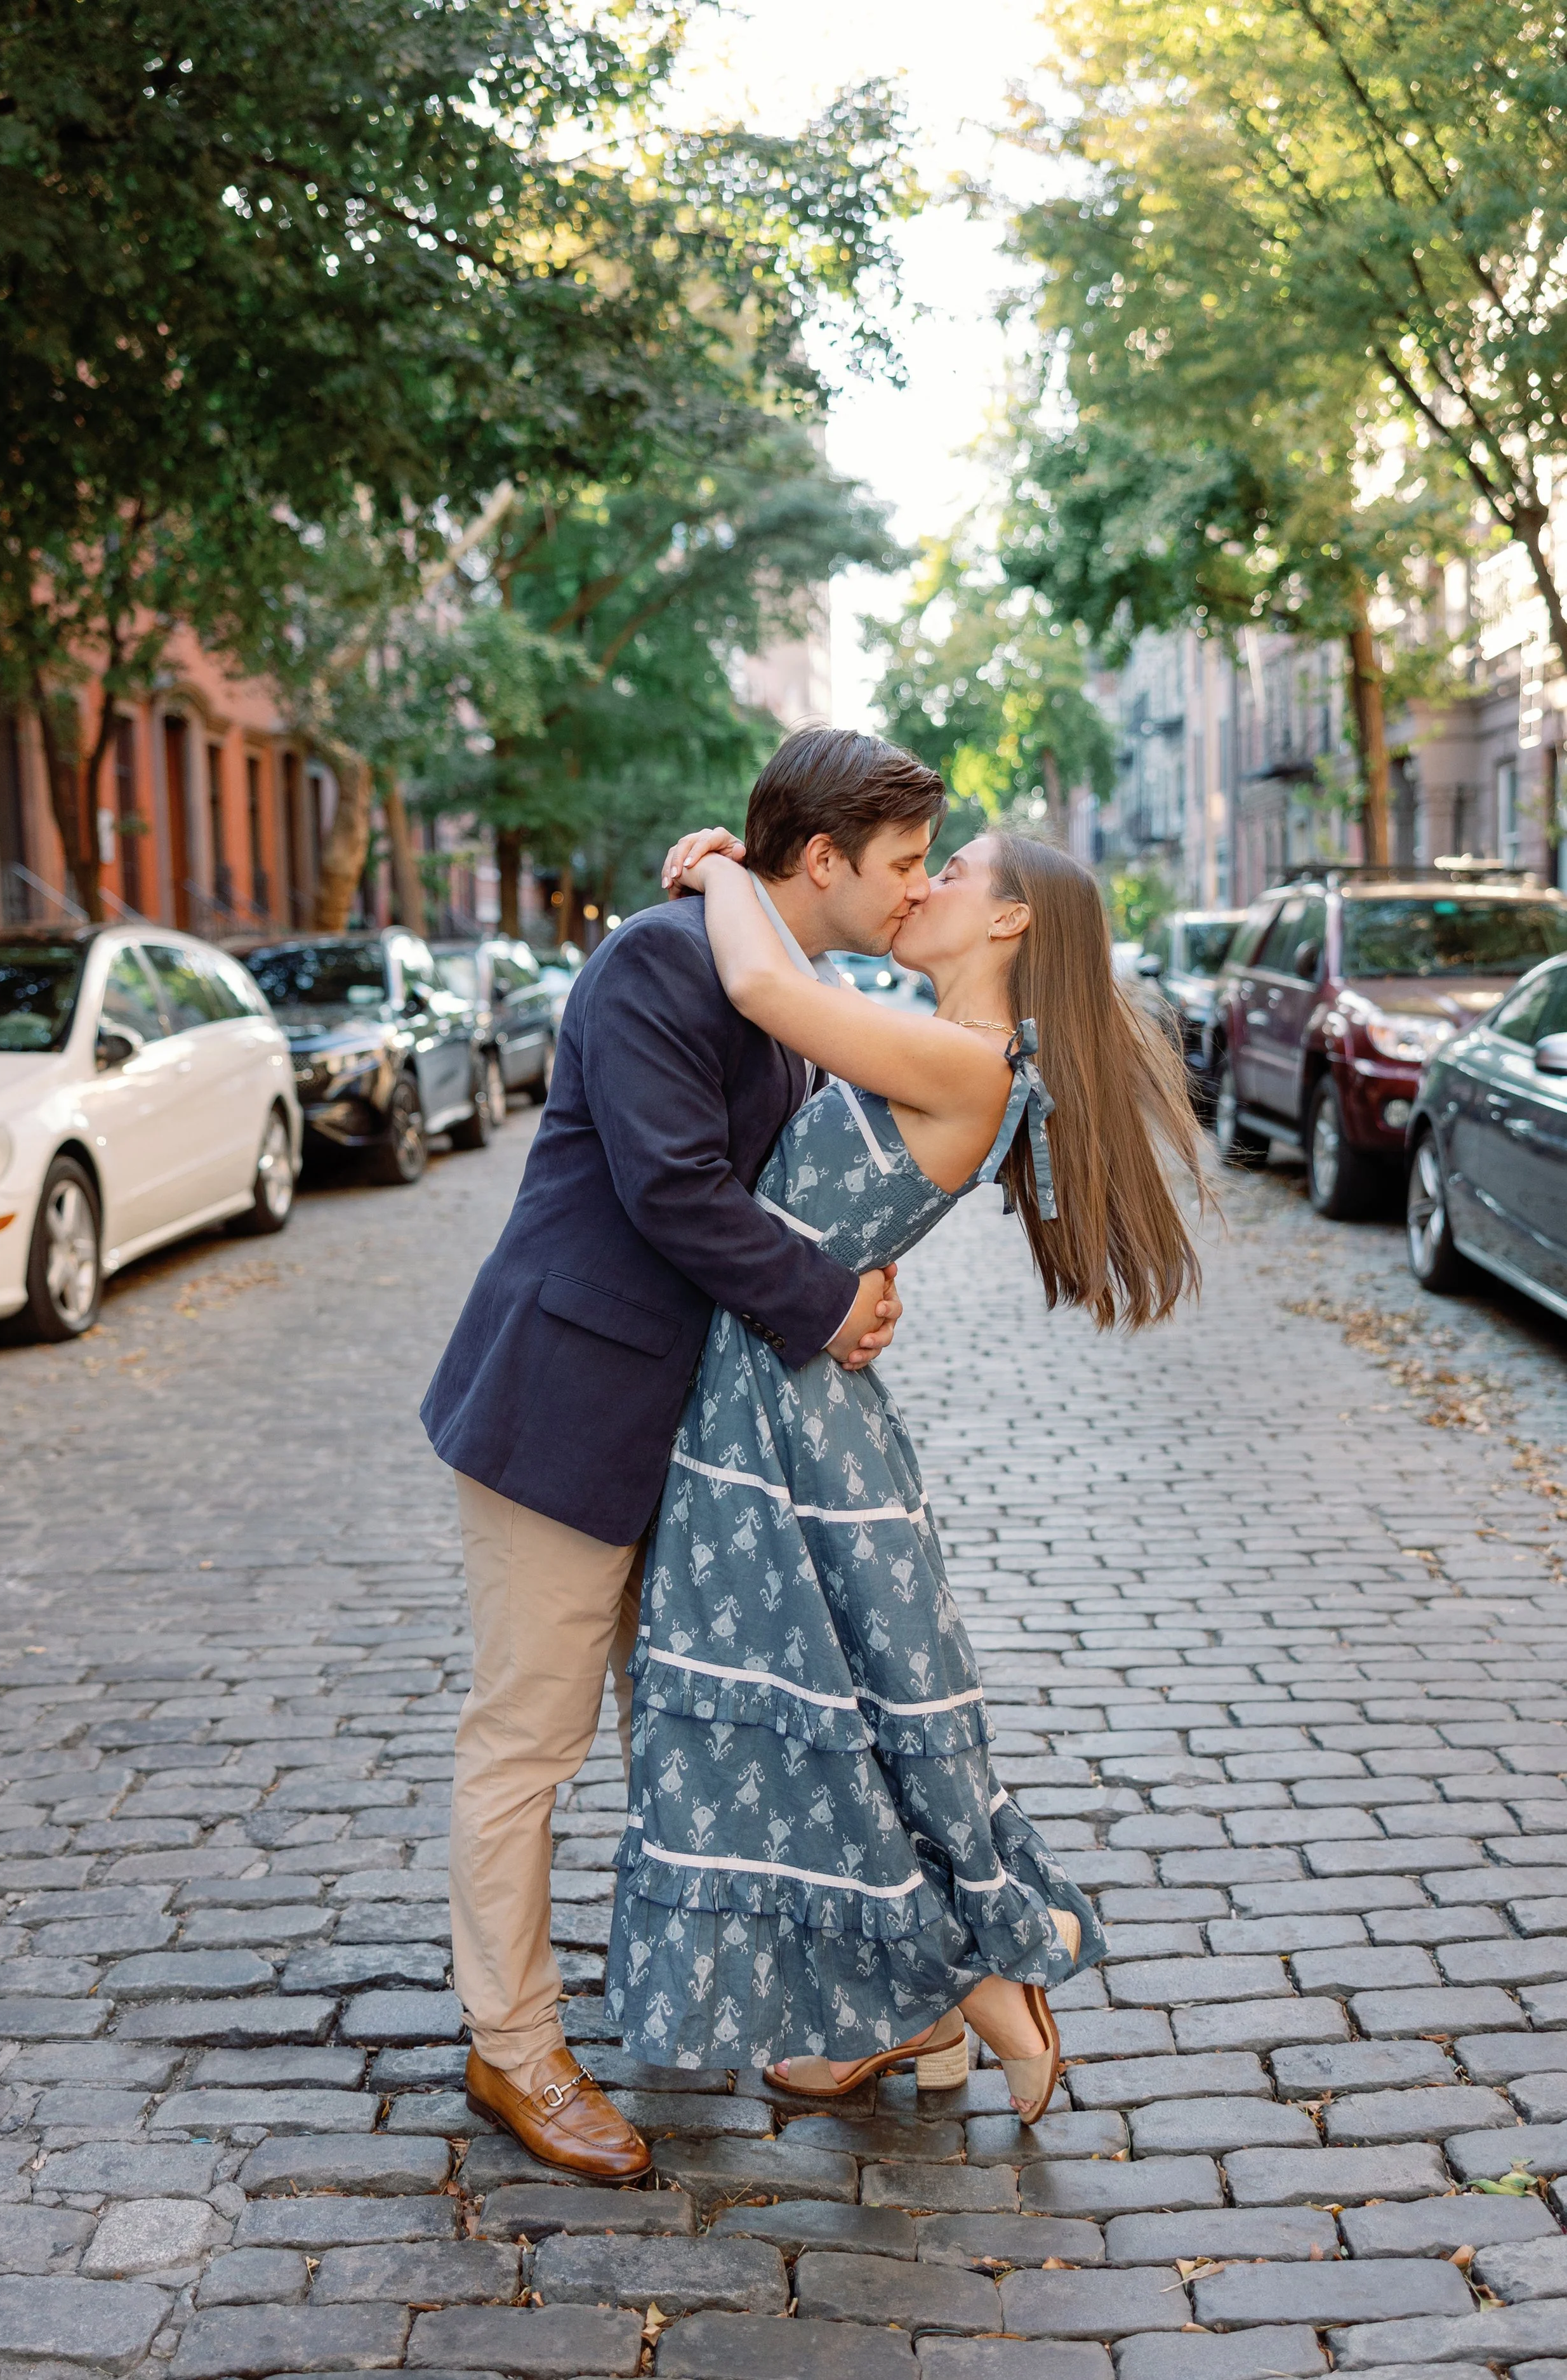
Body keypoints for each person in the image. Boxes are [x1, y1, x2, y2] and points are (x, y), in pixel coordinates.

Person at [604, 824, 1204, 2116]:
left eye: (955, 870)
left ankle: (973, 1986)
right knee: (842, 1709)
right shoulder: (947, 1039)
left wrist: (714, 869)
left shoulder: (967, 1057)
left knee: (814, 1719)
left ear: (1009, 924)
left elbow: (768, 991)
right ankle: (922, 2021)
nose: (924, 884)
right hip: (784, 1390)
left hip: (786, 1411)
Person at [420, 727, 947, 2178]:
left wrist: (850, 1273)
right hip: (564, 1410)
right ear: (822, 859)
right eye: (899, 865)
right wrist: (825, 1300)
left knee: (708, 1729)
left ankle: (768, 2012)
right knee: (528, 1743)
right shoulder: (659, 960)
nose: (913, 890)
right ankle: (511, 2049)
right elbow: (672, 1186)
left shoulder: (787, 979)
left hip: (699, 1437)